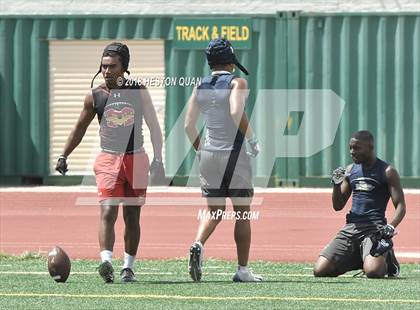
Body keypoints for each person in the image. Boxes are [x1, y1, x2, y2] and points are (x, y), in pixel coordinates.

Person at [55, 42, 164, 283]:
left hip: (136, 157)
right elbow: (79, 128)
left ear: (124, 67)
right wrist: (64, 154)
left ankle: (128, 268)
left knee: (133, 215)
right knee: (107, 210)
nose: (107, 71)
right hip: (107, 159)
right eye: (103, 66)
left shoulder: (139, 91)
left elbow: (154, 127)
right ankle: (106, 262)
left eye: (112, 66)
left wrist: (158, 158)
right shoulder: (95, 95)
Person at [184, 38, 262, 282]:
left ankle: (198, 243)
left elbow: (188, 126)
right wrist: (252, 139)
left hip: (208, 152)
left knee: (214, 210)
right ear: (230, 61)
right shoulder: (237, 82)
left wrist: (200, 150)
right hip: (234, 153)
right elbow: (236, 112)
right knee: (242, 213)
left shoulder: (200, 86)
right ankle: (242, 270)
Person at [313, 130, 406, 278]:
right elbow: (338, 206)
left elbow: (401, 205)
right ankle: (362, 257)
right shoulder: (350, 171)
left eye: (356, 148)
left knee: (373, 272)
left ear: (370, 147)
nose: (352, 152)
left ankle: (389, 260)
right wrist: (336, 185)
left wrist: (391, 226)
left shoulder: (387, 171)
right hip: (351, 229)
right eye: (350, 147)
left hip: (375, 230)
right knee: (320, 271)